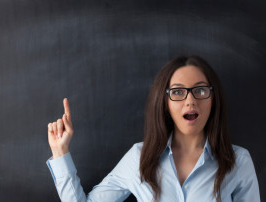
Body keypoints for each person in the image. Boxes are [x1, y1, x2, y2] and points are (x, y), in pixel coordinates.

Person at [46, 56, 260, 202]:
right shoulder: (139, 158)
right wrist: (60, 152)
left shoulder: (239, 162)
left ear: (213, 99)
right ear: (165, 103)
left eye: (200, 90)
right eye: (178, 92)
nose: (190, 101)